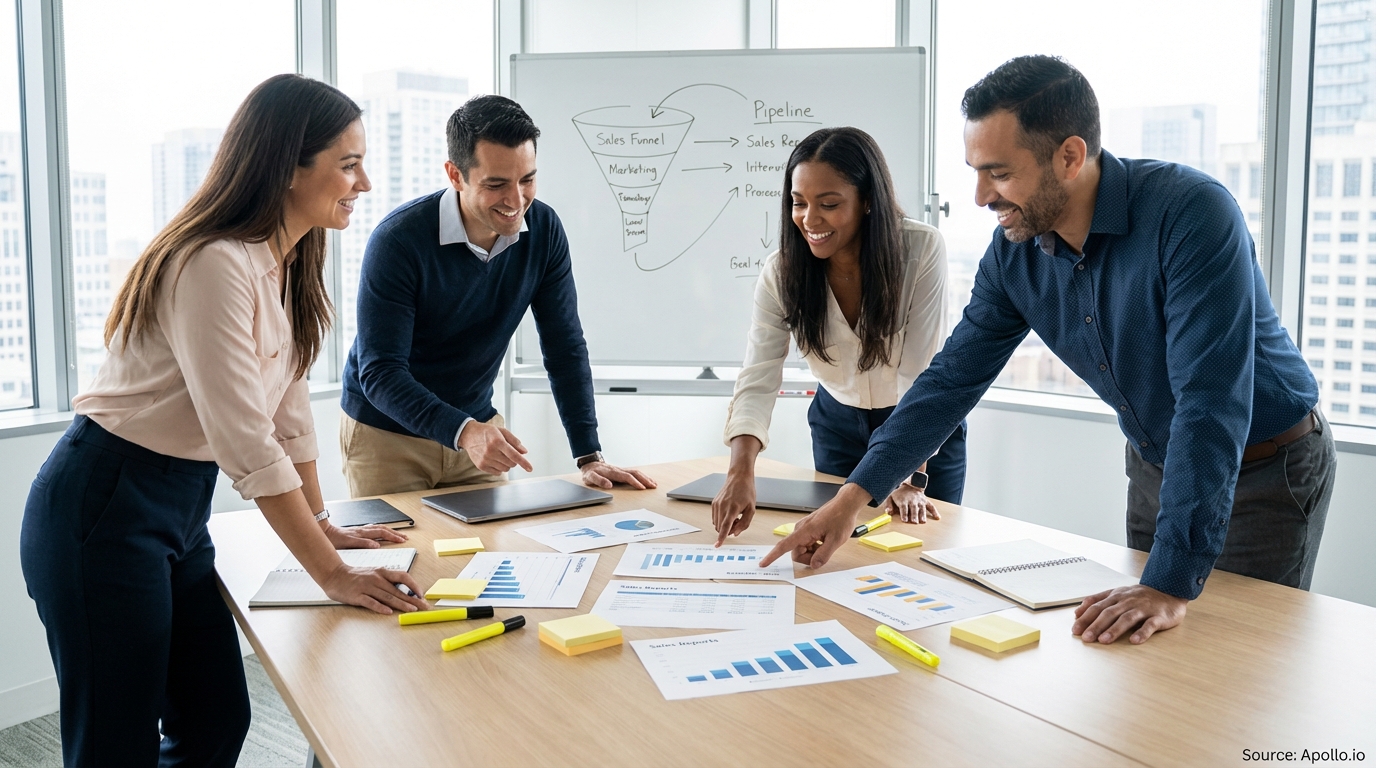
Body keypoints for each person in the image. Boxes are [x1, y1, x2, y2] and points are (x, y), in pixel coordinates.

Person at [764, 55, 1335, 646]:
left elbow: (1209, 402)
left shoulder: (1190, 213)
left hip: (1266, 469)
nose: (980, 196)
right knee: (1151, 652)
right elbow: (950, 381)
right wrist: (852, 499)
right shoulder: (1013, 253)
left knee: (1238, 657)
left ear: (1069, 156)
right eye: (976, 172)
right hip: (1156, 466)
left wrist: (1169, 581)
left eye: (998, 173)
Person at [20, 74, 430, 767]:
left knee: (215, 718)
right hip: (105, 502)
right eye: (349, 164)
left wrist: (322, 521)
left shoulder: (286, 263)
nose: (363, 183)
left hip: (180, 505)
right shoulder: (212, 262)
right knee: (115, 743)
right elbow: (246, 440)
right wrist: (331, 573)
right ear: (288, 166)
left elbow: (288, 413)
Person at [339, 95, 654, 497]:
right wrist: (465, 431)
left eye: (527, 180)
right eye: (496, 184)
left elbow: (564, 346)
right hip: (387, 437)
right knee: (402, 542)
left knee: (498, 539)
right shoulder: (398, 240)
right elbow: (380, 372)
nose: (517, 200)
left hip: (480, 434)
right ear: (455, 175)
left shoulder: (544, 230)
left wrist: (589, 455)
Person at [713, 127, 966, 546]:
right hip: (838, 424)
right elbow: (758, 375)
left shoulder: (920, 249)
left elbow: (920, 374)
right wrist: (740, 472)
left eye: (829, 204)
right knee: (838, 553)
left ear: (867, 201)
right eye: (799, 203)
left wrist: (909, 477)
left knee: (922, 551)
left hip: (922, 426)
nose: (810, 220)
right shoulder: (781, 272)